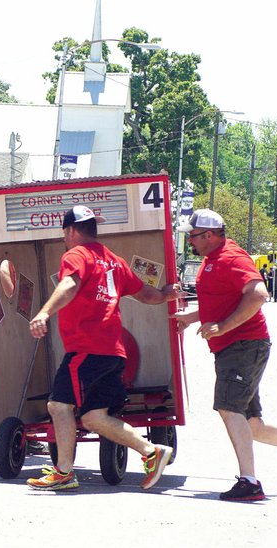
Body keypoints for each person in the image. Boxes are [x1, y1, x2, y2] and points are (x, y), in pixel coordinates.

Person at [26, 205, 179, 491]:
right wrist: (165, 295)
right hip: (114, 353)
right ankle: (151, 451)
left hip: (87, 349)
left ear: (70, 231)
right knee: (94, 417)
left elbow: (70, 283)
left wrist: (45, 312)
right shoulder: (114, 261)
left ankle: (64, 472)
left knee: (58, 405)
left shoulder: (75, 255)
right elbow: (146, 294)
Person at [173, 209, 277, 501]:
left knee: (228, 407)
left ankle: (249, 482)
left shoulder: (231, 257)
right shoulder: (212, 259)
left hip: (242, 345)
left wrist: (223, 327)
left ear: (209, 235)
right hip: (237, 347)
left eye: (194, 235)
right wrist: (193, 318)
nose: (190, 240)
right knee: (253, 425)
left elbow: (259, 294)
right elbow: (223, 302)